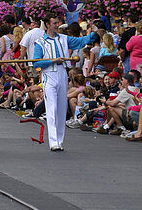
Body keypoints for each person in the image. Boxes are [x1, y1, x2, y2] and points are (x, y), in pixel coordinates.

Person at [33, 14, 97, 151]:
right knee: (52, 108)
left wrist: (92, 33)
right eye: (54, 23)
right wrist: (52, 60)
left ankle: (60, 141)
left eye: (58, 23)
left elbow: (80, 42)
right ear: (47, 24)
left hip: (62, 73)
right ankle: (53, 141)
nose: (57, 25)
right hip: (49, 75)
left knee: (61, 108)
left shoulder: (64, 38)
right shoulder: (40, 42)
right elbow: (36, 62)